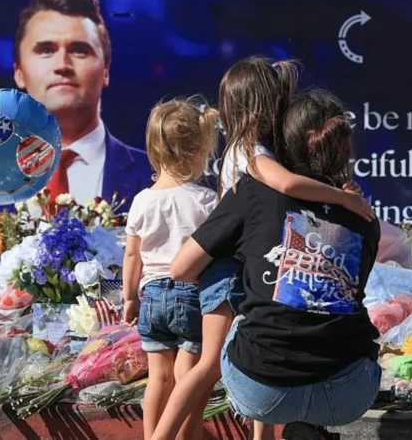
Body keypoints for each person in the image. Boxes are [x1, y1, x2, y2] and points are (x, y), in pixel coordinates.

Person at [151, 57, 374, 440]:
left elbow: (181, 268)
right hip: (347, 393)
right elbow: (289, 187)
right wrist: (342, 198)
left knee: (239, 340)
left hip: (263, 383)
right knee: (226, 351)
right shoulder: (359, 212)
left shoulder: (253, 177)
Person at [121, 97, 220, 440]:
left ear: (153, 150)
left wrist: (129, 298)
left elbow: (133, 256)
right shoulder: (206, 200)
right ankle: (182, 435)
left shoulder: (142, 201)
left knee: (158, 377)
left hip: (151, 296)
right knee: (186, 375)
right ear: (198, 151)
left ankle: (152, 435)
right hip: (192, 295)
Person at [13, 0, 151, 208]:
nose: (62, 65)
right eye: (46, 50)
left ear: (106, 71)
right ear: (19, 72)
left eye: (79, 50)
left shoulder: (156, 179)